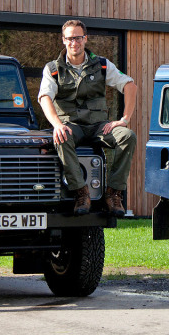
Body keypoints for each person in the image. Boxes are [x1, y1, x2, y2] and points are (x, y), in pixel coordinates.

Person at [38, 20, 137, 218]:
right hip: (72, 126)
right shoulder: (53, 69)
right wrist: (57, 125)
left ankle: (114, 193)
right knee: (61, 136)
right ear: (63, 40)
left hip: (100, 126)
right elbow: (44, 97)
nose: (74, 42)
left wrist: (124, 119)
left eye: (78, 37)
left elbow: (130, 86)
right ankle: (81, 193)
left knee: (128, 136)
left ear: (85, 38)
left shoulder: (101, 64)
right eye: (70, 38)